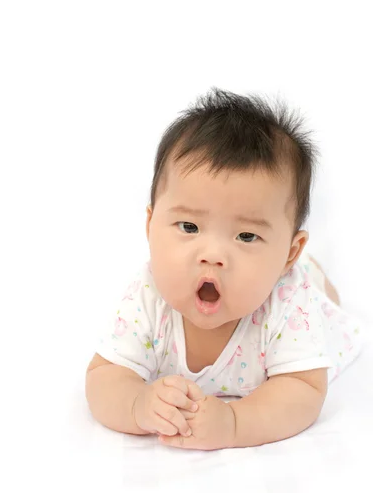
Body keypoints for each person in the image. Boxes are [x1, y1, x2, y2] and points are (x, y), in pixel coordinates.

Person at [85, 88, 363, 450]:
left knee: (323, 296)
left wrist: (234, 423)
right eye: (189, 227)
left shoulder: (288, 304)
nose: (212, 255)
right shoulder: (149, 295)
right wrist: (138, 404)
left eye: (246, 236)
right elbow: (104, 377)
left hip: (299, 295)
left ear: (287, 254)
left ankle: (313, 273)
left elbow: (304, 390)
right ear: (150, 227)